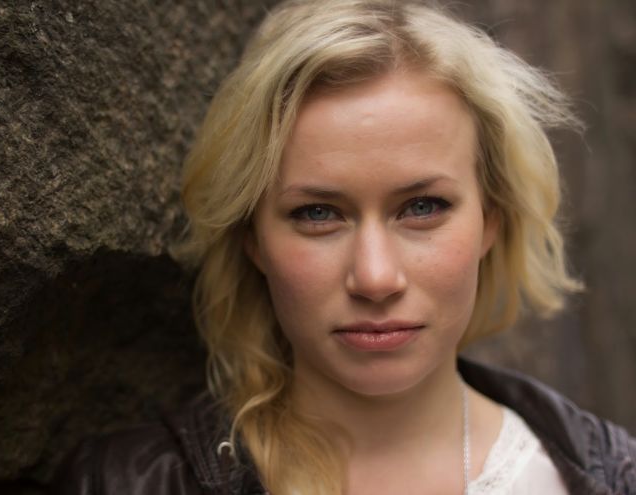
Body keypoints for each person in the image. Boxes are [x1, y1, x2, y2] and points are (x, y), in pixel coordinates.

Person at [54, 0, 636, 493]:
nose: (376, 278)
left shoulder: (609, 476)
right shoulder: (121, 482)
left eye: (423, 207)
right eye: (317, 214)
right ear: (252, 238)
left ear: (492, 220)